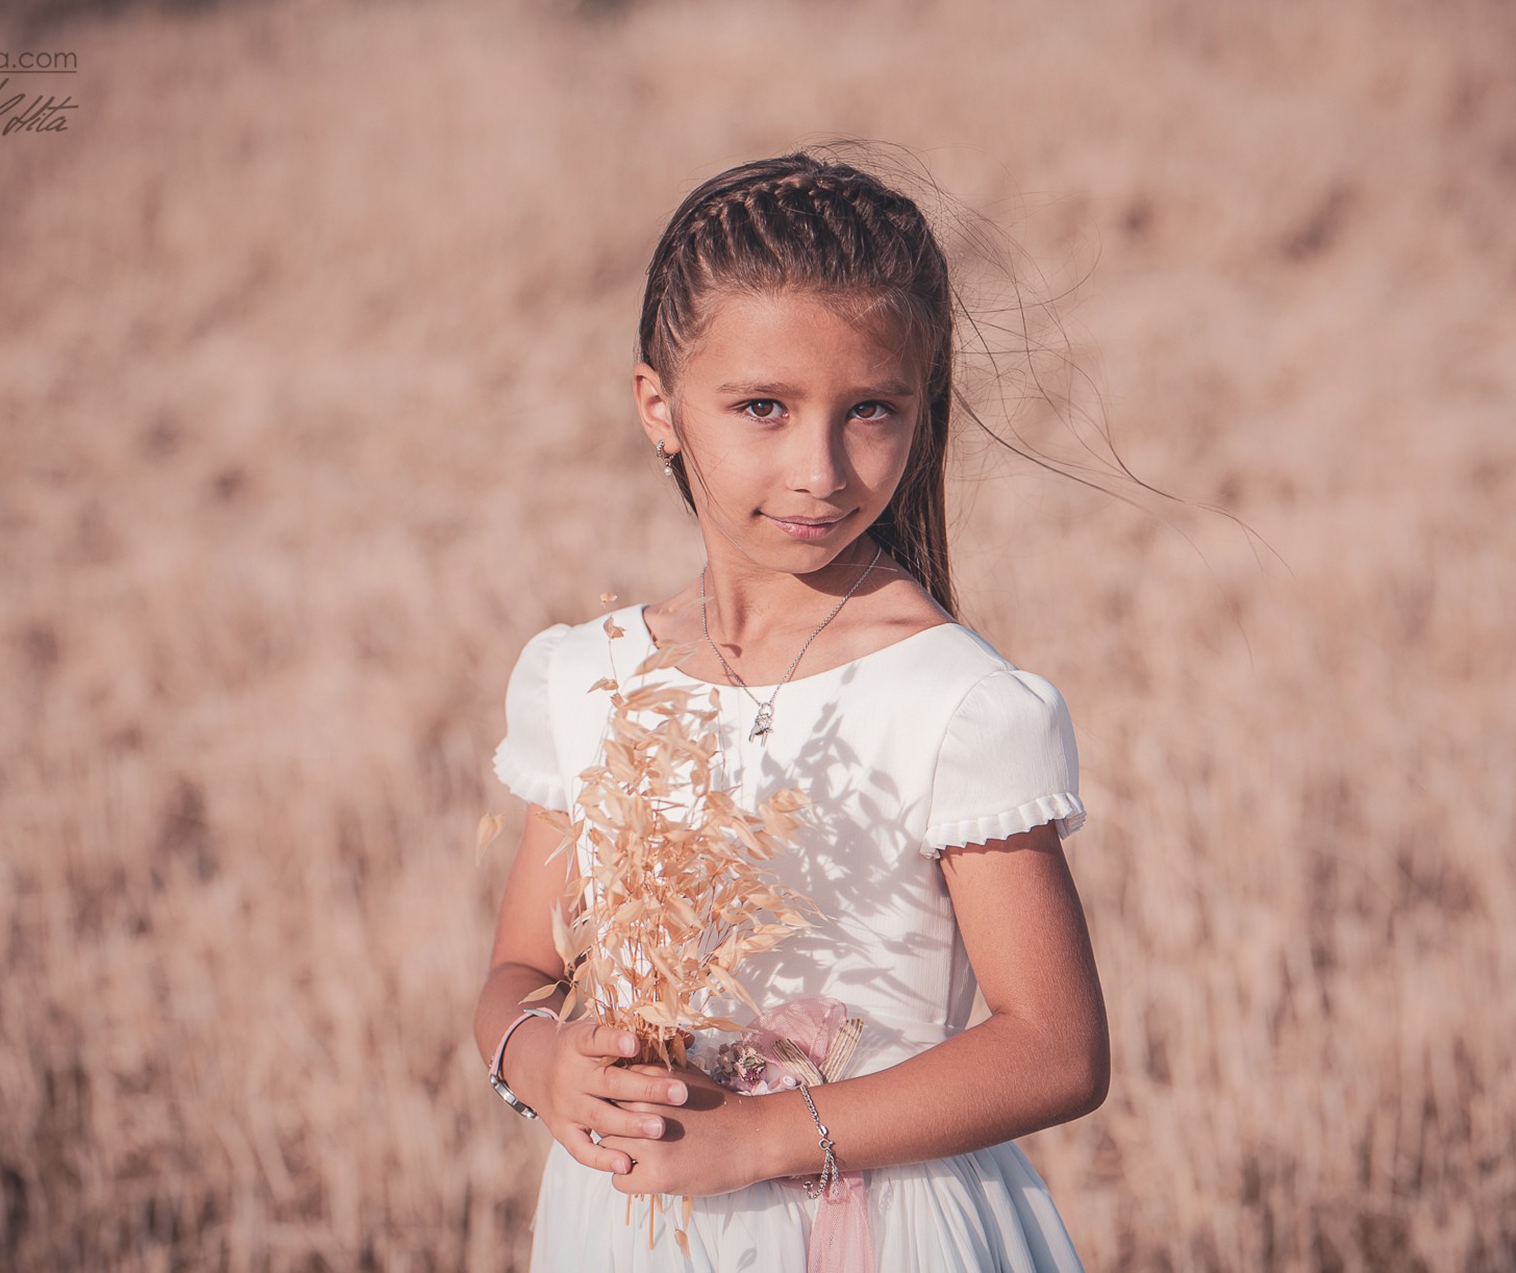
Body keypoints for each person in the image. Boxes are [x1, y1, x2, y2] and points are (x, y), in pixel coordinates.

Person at [472, 148, 1110, 1271]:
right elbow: (521, 969)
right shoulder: (591, 681)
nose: (819, 467)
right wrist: (537, 1062)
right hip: (633, 1230)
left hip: (880, 1232)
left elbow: (1056, 1050)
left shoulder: (953, 702)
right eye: (761, 407)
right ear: (657, 408)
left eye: (870, 410)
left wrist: (765, 1136)